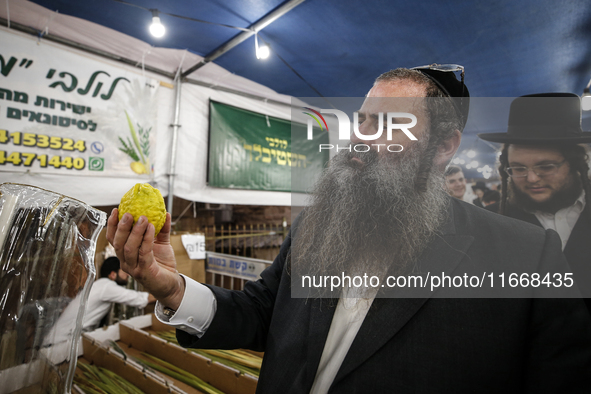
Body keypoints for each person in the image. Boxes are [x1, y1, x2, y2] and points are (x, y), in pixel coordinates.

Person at [107, 68, 591, 392]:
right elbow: (259, 313)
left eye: (387, 124)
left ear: (443, 145)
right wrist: (171, 286)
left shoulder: (527, 256)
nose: (361, 137)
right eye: (362, 121)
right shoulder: (317, 227)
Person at [479, 92, 591, 312]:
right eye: (519, 168)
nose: (531, 178)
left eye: (546, 167)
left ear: (576, 163)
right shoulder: (490, 224)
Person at [82, 256, 156, 331]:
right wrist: (164, 295)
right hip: (75, 334)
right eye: (124, 271)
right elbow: (137, 298)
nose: (128, 275)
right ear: (113, 274)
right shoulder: (107, 286)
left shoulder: (99, 285)